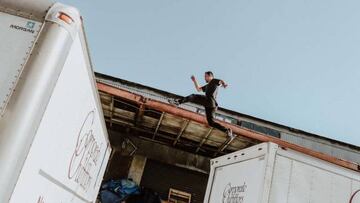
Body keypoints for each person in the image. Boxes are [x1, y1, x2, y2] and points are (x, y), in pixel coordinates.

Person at [168, 71, 234, 139]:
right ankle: (227, 130)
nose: (204, 78)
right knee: (211, 122)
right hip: (212, 106)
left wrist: (224, 84)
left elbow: (220, 81)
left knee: (193, 96)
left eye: (205, 76)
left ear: (210, 76)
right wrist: (194, 81)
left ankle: (178, 102)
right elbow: (198, 89)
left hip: (209, 100)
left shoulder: (213, 80)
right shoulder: (207, 86)